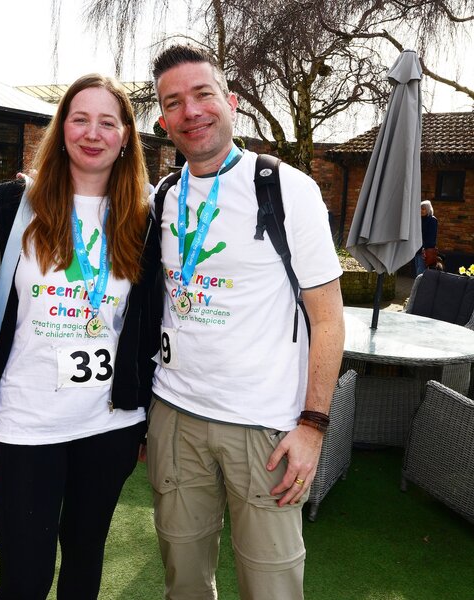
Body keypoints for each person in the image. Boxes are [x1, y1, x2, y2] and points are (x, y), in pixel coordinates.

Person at [0, 73, 159, 600]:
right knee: (25, 579)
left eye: (107, 122)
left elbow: (149, 327)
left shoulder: (145, 217)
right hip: (24, 424)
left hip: (109, 425)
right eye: (79, 119)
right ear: (62, 128)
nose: (93, 133)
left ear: (126, 136)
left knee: (84, 565)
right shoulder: (12, 207)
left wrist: (146, 417)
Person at [146, 44, 345, 600]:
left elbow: (329, 319)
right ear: (164, 120)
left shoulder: (287, 189)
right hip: (175, 416)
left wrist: (313, 426)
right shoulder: (164, 195)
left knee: (271, 586)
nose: (191, 111)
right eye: (174, 102)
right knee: (184, 582)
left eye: (202, 94)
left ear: (231, 102)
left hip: (265, 427)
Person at [414, 200, 438, 275]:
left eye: (423, 209)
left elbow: (431, 237)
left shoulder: (432, 220)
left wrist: (425, 248)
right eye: (420, 209)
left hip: (425, 250)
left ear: (428, 210)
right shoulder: (419, 220)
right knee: (417, 270)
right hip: (417, 249)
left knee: (421, 272)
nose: (421, 211)